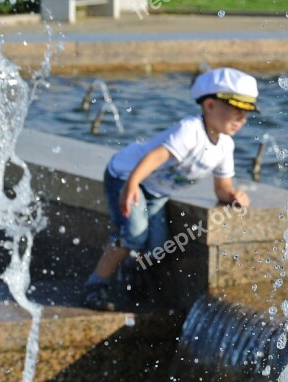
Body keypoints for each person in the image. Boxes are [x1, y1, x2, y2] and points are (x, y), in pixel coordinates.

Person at [81, 67, 258, 311]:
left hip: (156, 192)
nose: (242, 119)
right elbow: (156, 157)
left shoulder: (225, 146)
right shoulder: (190, 130)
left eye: (246, 113)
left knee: (159, 247)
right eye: (237, 111)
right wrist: (131, 184)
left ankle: (132, 268)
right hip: (126, 175)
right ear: (209, 106)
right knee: (133, 233)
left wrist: (233, 196)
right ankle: (95, 286)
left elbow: (222, 187)